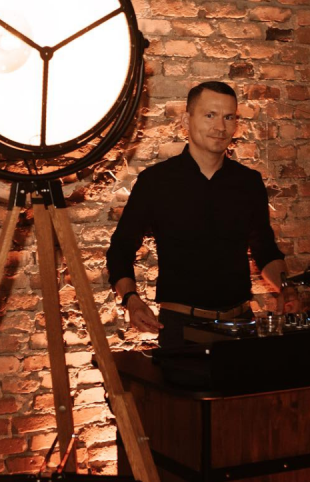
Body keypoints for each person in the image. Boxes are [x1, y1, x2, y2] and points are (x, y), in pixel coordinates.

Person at [106, 81, 298, 348]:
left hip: (242, 325)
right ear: (187, 120)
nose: (220, 127)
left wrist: (287, 288)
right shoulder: (156, 182)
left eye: (228, 117)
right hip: (181, 328)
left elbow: (265, 251)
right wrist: (132, 300)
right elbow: (120, 250)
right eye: (210, 115)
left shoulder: (249, 182)